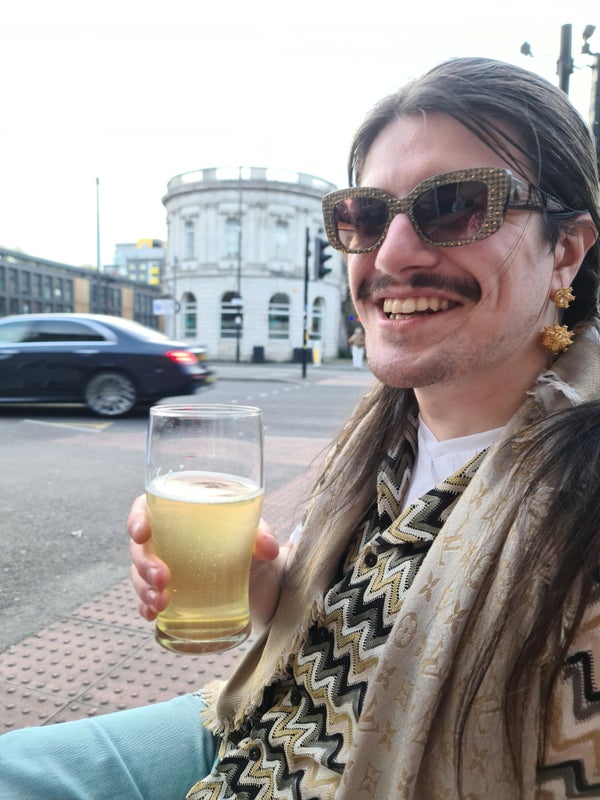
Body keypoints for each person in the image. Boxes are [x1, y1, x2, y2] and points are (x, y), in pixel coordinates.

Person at [2, 55, 600, 799]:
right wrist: (262, 581)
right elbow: (352, 613)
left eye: (454, 206)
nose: (391, 254)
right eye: (366, 217)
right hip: (258, 721)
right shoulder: (385, 429)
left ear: (564, 252)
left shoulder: (580, 496)